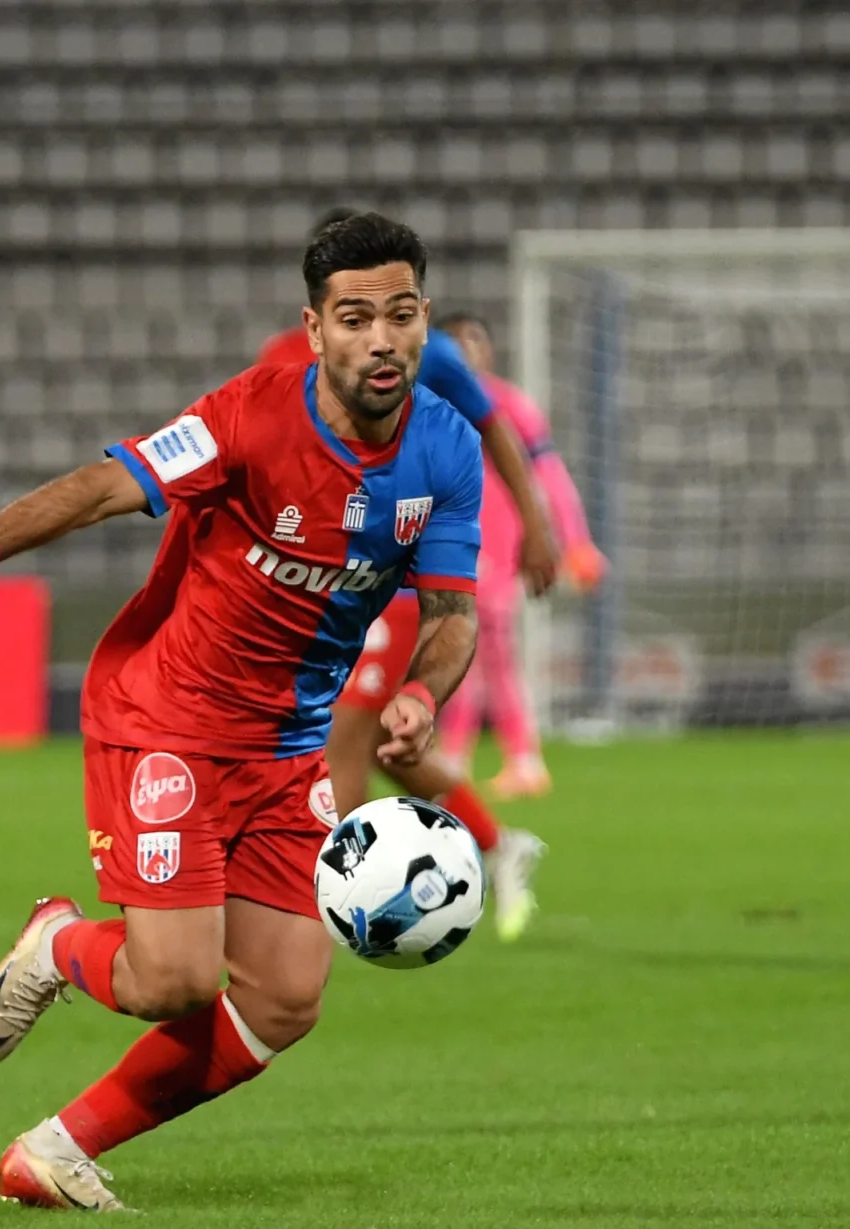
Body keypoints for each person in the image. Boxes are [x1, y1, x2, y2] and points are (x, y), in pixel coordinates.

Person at [0, 213, 481, 1211]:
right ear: (314, 329)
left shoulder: (446, 449)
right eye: (354, 319)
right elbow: (101, 487)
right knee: (174, 982)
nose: (381, 340)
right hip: (167, 723)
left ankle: (53, 1150)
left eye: (401, 314)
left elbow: (453, 614)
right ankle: (58, 944)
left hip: (288, 748)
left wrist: (421, 692)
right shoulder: (247, 416)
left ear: (425, 318)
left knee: (284, 998)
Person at [264, 216, 550, 941]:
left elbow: (494, 428)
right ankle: (495, 841)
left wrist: (536, 525)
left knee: (345, 739)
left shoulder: (432, 355)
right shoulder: (284, 361)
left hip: (391, 579)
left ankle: (323, 904)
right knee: (382, 743)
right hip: (319, 589)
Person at [435, 311, 607, 799]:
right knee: (460, 646)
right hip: (447, 539)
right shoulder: (428, 406)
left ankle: (514, 756)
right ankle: (467, 756)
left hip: (498, 542)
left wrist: (575, 541)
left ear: (489, 349)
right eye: (455, 341)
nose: (467, 348)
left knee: (486, 647)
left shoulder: (509, 405)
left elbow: (550, 475)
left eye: (475, 338)